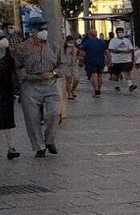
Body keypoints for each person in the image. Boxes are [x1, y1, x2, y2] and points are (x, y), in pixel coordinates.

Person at [14, 21, 62, 157]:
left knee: (54, 113)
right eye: (40, 29)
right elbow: (17, 68)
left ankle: (49, 139)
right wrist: (32, 76)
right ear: (32, 31)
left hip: (51, 84)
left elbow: (64, 65)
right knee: (32, 118)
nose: (44, 32)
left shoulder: (53, 46)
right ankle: (39, 147)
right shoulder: (22, 48)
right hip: (30, 86)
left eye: (45, 29)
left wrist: (54, 73)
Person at [0, 33, 18, 160]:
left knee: (8, 121)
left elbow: (14, 72)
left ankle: (11, 148)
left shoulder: (9, 56)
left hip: (6, 92)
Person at [79, 30, 108, 97]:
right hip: (100, 61)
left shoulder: (86, 43)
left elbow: (81, 52)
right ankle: (99, 89)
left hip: (90, 61)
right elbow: (107, 52)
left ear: (89, 35)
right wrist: (109, 60)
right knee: (100, 75)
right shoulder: (102, 43)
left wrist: (81, 59)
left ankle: (96, 90)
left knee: (94, 75)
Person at [106, 27, 135, 91]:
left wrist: (131, 55)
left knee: (126, 72)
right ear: (117, 33)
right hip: (116, 60)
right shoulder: (113, 41)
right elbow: (111, 49)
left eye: (121, 32)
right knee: (116, 74)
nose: (121, 33)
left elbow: (131, 49)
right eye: (119, 32)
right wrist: (121, 51)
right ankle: (116, 85)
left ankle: (130, 85)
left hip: (126, 60)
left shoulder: (127, 40)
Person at [63, 35, 82, 101]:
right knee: (69, 79)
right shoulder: (64, 48)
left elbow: (79, 55)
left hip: (74, 65)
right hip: (67, 65)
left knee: (76, 79)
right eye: (69, 42)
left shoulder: (76, 48)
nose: (71, 43)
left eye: (72, 42)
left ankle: (73, 89)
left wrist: (77, 56)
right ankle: (69, 94)